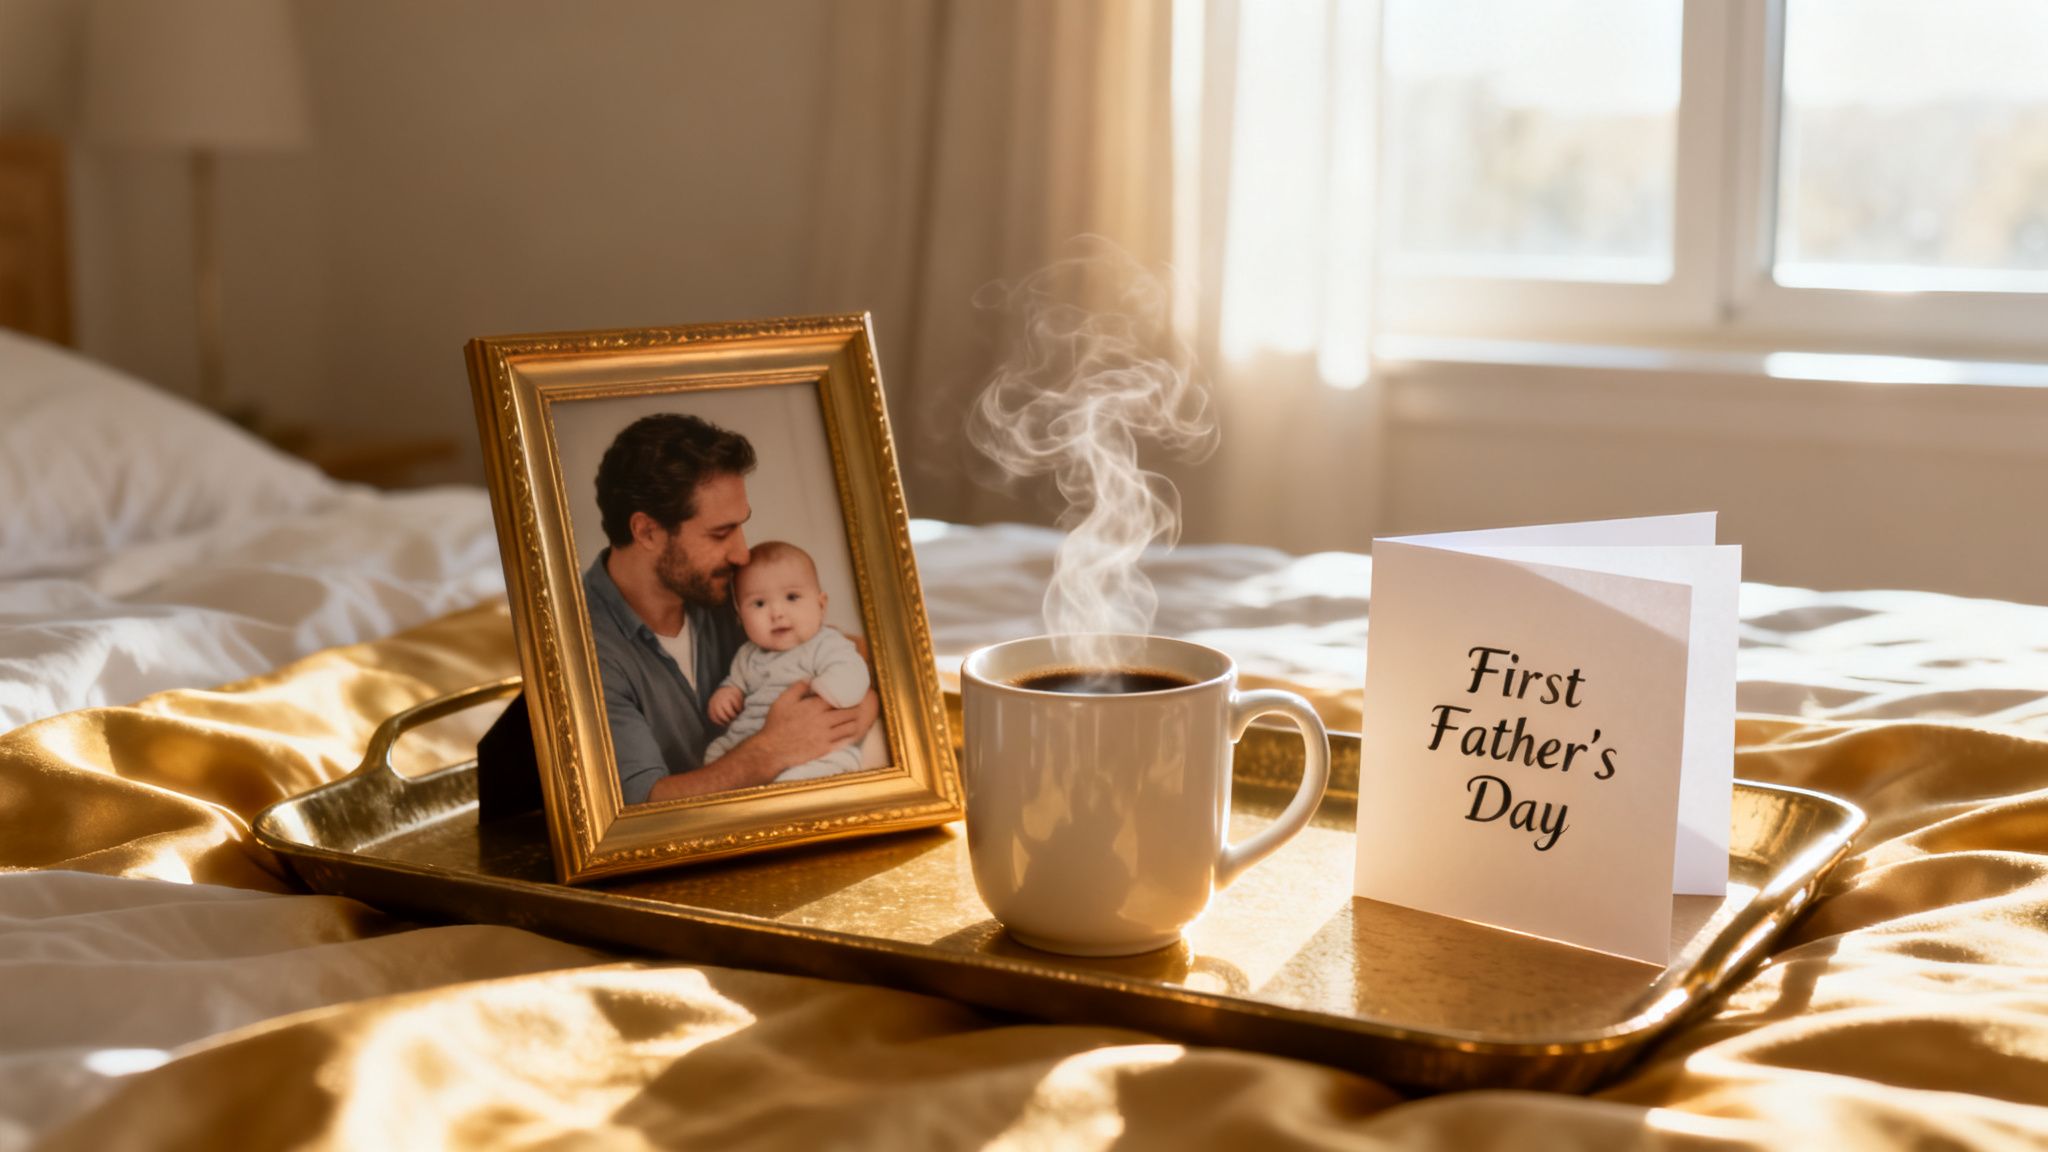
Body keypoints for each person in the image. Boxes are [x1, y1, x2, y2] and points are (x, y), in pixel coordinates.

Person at [584, 413, 877, 804]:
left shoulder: (725, 591)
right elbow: (639, 810)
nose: (742, 554)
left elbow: (860, 655)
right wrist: (773, 751)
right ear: (647, 531)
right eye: (721, 533)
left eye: (741, 527)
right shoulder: (583, 649)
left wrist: (855, 710)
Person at [704, 541, 872, 783]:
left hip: (817, 748)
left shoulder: (825, 643)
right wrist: (727, 694)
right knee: (714, 756)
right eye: (759, 603)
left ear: (821, 605)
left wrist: (828, 688)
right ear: (741, 617)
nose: (777, 613)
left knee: (806, 776)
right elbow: (736, 681)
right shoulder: (748, 654)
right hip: (748, 741)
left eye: (792, 597)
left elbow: (853, 671)